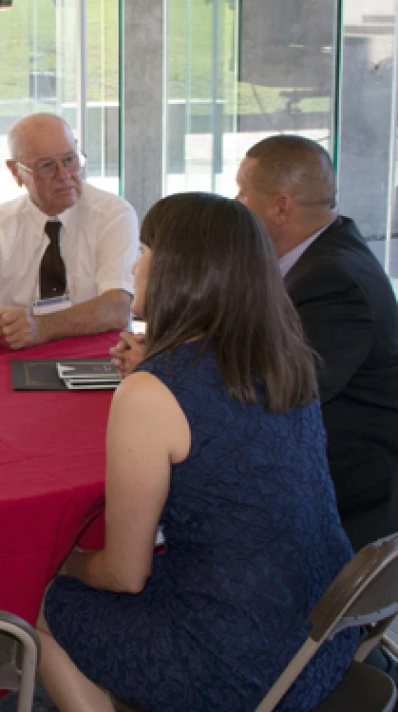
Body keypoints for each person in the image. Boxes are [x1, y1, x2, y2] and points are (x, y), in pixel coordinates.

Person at [38, 193, 355, 712]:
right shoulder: (286, 359)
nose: (136, 265)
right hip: (322, 641)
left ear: (180, 273)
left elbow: (125, 574)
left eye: (146, 251)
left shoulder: (149, 393)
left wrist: (61, 563)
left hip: (237, 666)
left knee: (35, 597)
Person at [234, 134, 398, 550]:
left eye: (242, 192)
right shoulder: (322, 255)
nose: (235, 204)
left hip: (344, 498)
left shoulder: (334, 282)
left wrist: (176, 368)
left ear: (281, 207)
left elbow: (280, 391)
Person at [0, 113, 137, 350]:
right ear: (16, 172)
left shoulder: (113, 214)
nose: (64, 175)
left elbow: (117, 307)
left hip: (99, 356)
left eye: (69, 160)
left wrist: (41, 327)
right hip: (13, 358)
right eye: (47, 166)